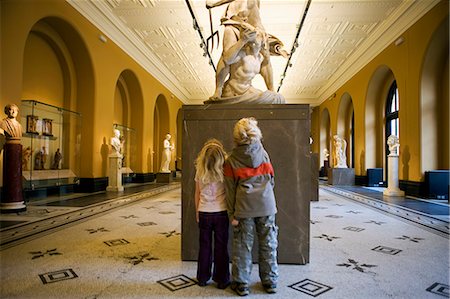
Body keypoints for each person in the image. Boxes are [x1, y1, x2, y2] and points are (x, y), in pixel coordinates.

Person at [224, 117, 278, 296]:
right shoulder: (263, 153)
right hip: (267, 205)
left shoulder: (231, 160)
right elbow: (271, 178)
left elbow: (230, 190)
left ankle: (241, 284)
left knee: (242, 245)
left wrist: (231, 214)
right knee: (268, 243)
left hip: (244, 207)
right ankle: (270, 282)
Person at [205, 0, 287, 103]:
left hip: (248, 89)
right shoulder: (233, 33)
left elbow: (266, 64)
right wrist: (242, 40)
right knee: (227, 56)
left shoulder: (260, 55)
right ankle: (219, 90)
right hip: (233, 89)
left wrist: (272, 90)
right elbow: (226, 59)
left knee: (277, 99)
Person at [194, 139, 230, 289]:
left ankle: (203, 277)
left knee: (205, 246)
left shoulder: (200, 170)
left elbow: (197, 193)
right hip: (222, 212)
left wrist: (197, 211)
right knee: (221, 247)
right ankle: (222, 279)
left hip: (204, 212)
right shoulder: (225, 169)